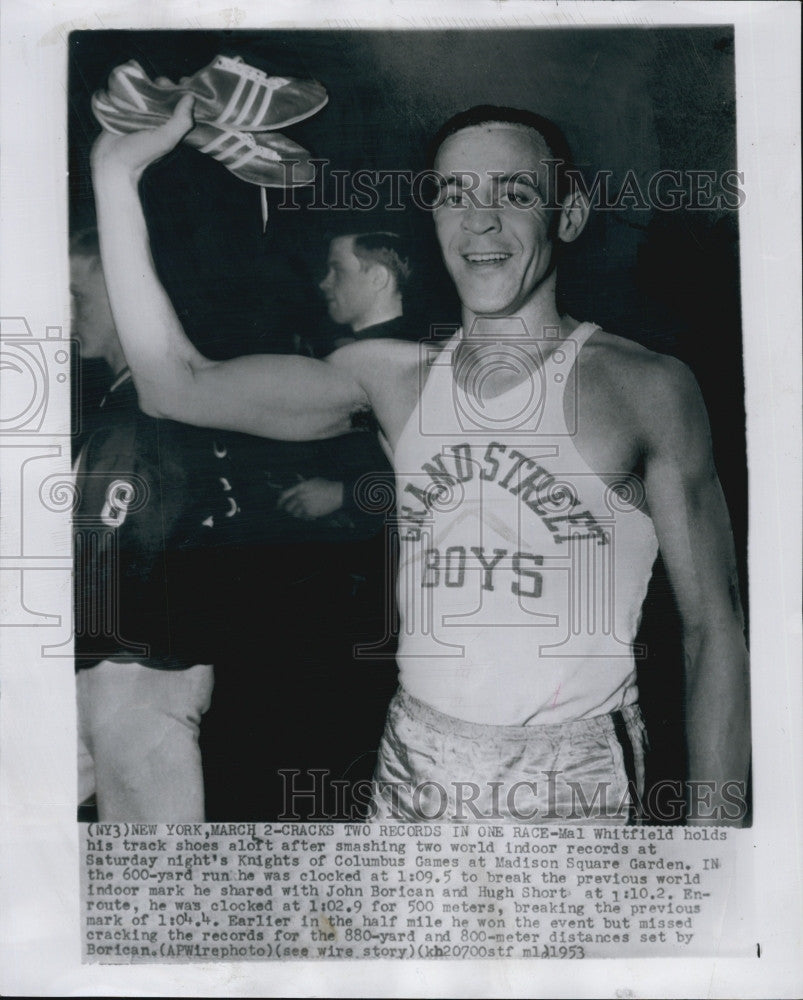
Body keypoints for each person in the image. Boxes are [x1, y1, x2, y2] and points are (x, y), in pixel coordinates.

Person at [90, 97, 750, 824]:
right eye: (453, 194)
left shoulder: (647, 386)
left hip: (572, 774)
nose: (480, 220)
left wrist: (714, 849)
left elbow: (713, 629)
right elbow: (171, 384)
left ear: (568, 214)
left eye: (514, 193)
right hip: (414, 756)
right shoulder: (392, 378)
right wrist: (115, 174)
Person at [71, 228, 228, 821]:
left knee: (153, 869)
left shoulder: (145, 408)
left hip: (141, 664)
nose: (67, 313)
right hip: (117, 658)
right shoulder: (127, 399)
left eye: (77, 295)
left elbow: (116, 550)